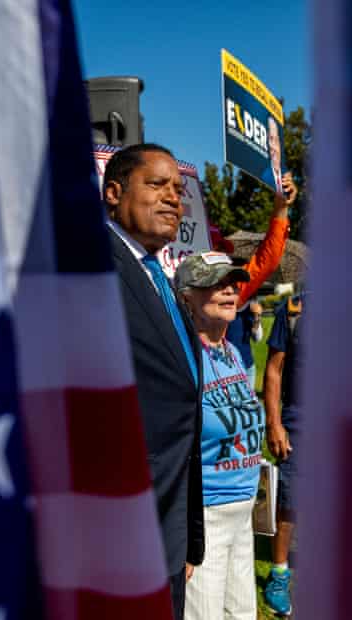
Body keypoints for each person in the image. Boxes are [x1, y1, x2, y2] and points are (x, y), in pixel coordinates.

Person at [103, 143, 204, 620]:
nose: (173, 199)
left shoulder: (163, 280)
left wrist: (187, 535)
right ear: (113, 192)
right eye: (157, 184)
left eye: (179, 190)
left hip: (168, 526)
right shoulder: (91, 269)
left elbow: (182, 405)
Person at [173, 252, 266, 620]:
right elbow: (171, 447)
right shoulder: (183, 358)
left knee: (241, 614)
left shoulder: (230, 350)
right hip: (204, 518)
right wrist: (181, 536)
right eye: (216, 284)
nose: (229, 291)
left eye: (232, 283)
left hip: (242, 512)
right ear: (187, 296)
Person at [220, 171, 297, 388]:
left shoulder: (235, 289)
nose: (226, 287)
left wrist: (281, 207)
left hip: (243, 367)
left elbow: (266, 260)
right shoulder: (178, 292)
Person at [262, 294, 303, 616]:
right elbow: (274, 370)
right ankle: (279, 574)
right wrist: (274, 423)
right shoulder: (294, 308)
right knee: (289, 499)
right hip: (299, 418)